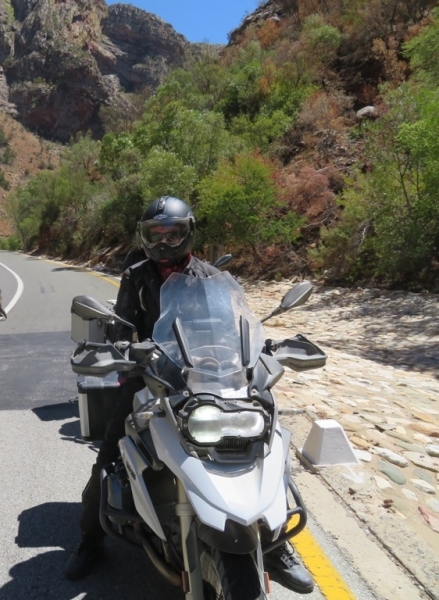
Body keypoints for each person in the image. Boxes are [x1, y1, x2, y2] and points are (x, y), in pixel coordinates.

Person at [64, 197, 314, 594]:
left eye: (173, 233)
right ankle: (90, 540)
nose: (163, 243)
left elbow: (234, 324)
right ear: (143, 238)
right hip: (151, 373)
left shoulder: (211, 276)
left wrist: (255, 350)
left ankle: (276, 543)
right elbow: (122, 327)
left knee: (267, 449)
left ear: (189, 234)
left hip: (210, 375)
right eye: (155, 235)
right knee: (109, 456)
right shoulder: (136, 276)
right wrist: (127, 349)